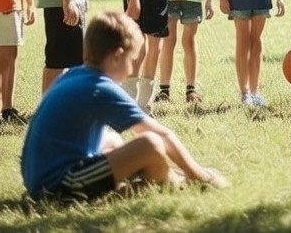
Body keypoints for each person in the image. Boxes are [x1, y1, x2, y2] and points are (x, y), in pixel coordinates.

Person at [21, 11, 228, 203]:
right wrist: (201, 175)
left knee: (112, 139)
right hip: (57, 187)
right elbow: (161, 135)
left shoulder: (75, 75)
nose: (131, 69)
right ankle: (178, 183)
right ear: (117, 56)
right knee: (151, 145)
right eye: (132, 61)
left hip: (39, 179)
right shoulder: (100, 87)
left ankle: (151, 179)